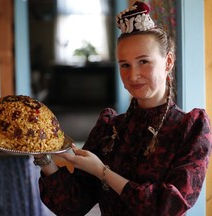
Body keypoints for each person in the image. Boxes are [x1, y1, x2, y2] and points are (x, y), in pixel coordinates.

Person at [33, 1, 212, 215]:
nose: (133, 75)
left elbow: (167, 207)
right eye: (125, 64)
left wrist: (103, 172)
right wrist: (42, 155)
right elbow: (71, 204)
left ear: (168, 62)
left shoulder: (190, 129)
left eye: (144, 61)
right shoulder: (109, 128)